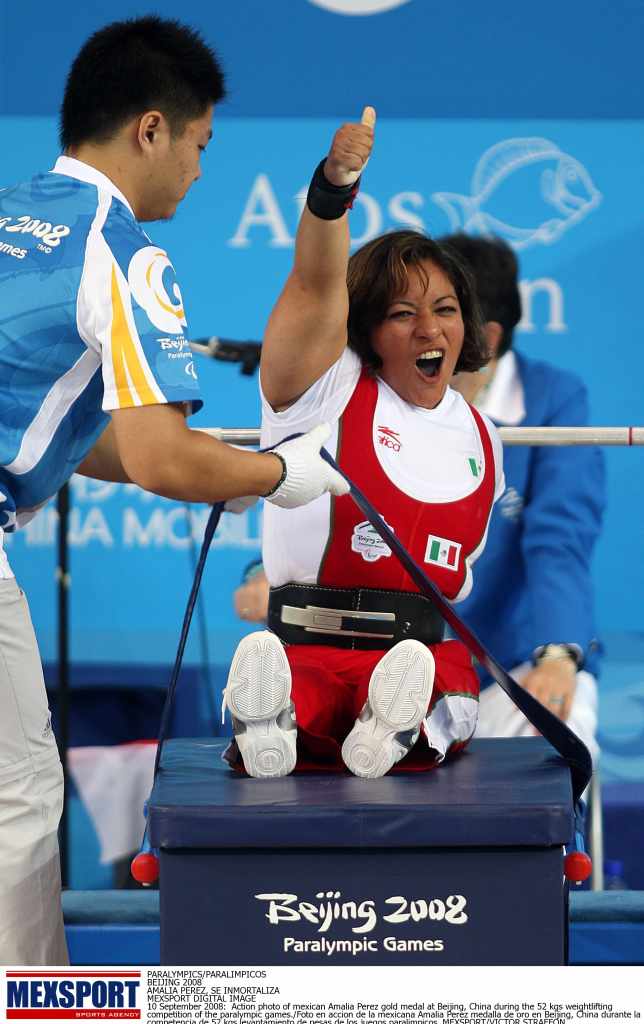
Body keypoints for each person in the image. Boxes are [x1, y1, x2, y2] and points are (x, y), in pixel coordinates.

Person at [0, 16, 347, 966]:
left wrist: (224, 476)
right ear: (151, 129)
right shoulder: (123, 251)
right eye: (198, 146)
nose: (199, 173)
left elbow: (86, 434)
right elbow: (160, 459)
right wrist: (283, 474)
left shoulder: (11, 212)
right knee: (18, 795)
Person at [222, 108, 505, 781]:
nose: (428, 330)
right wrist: (333, 188)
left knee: (446, 680)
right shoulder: (324, 389)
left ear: (469, 324)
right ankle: (277, 721)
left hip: (412, 660)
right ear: (366, 331)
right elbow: (315, 286)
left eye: (444, 310)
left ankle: (388, 727)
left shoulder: (483, 438)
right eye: (402, 314)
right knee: (305, 689)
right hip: (305, 646)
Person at [441, 234, 605, 762]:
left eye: (441, 311)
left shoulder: (554, 398)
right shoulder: (386, 388)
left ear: (485, 337)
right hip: (400, 663)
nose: (417, 329)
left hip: (509, 661)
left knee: (561, 735)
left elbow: (560, 535)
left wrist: (557, 653)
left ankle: (558, 849)